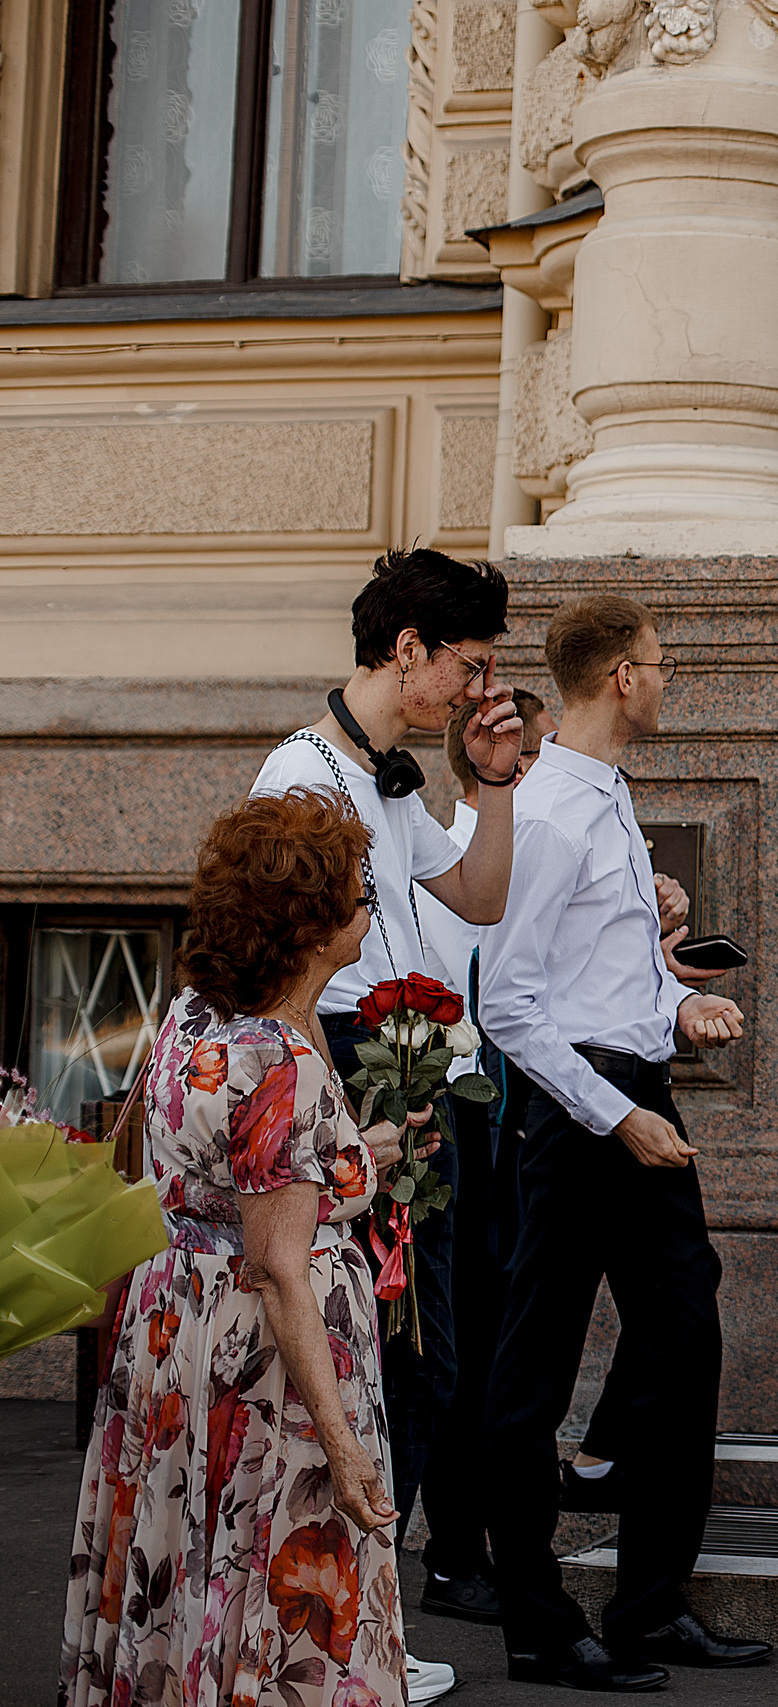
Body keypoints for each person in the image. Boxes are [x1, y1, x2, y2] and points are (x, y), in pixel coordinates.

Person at [63, 789, 434, 1705]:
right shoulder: (282, 1060)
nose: (370, 909)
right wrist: (343, 1446)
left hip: (178, 1330)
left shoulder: (192, 1015)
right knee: (274, 1576)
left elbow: (234, 1172)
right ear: (314, 927)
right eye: (361, 895)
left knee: (189, 1553)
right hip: (267, 1363)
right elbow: (277, 1265)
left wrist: (363, 1151)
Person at [250, 545, 522, 1702]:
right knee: (370, 1360)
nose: (474, 689)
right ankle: (338, 1632)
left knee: (419, 1364)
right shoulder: (303, 775)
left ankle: (360, 1621)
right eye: (467, 664)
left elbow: (479, 898)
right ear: (408, 648)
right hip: (351, 1073)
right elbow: (284, 981)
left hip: (412, 1069)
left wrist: (494, 782)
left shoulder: (390, 778)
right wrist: (341, 1128)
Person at [478, 593, 765, 1689]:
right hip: (578, 1114)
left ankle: (649, 1605)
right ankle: (537, 1624)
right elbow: (509, 1004)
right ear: (620, 678)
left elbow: (601, 977)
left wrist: (678, 1007)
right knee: (534, 1371)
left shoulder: (608, 791)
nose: (667, 677)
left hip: (636, 1090)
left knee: (685, 1332)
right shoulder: (549, 810)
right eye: (659, 661)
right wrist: (617, 1112)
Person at [410, 688, 553, 1626]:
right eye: (536, 757)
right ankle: (454, 1551)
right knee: (459, 1342)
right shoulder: (451, 858)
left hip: (524, 1119)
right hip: (462, 1117)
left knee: (510, 1342)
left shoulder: (538, 850)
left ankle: (497, 1542)